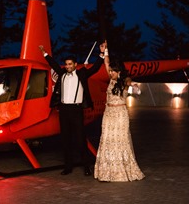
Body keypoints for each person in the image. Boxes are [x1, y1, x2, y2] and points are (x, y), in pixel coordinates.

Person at [39, 43, 106, 176]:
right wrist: (44, 53)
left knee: (80, 139)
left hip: (76, 110)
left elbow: (96, 68)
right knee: (65, 139)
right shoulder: (62, 73)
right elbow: (53, 64)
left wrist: (102, 54)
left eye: (70, 64)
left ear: (75, 64)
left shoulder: (82, 74)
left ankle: (86, 167)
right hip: (64, 110)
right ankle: (68, 167)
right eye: (66, 64)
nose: (68, 66)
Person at [94, 43, 145, 182]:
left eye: (113, 71)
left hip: (120, 115)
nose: (110, 73)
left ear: (119, 72)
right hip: (108, 113)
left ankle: (121, 170)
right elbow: (106, 62)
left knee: (120, 141)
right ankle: (106, 171)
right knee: (107, 139)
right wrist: (105, 50)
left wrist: (133, 87)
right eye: (110, 71)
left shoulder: (124, 81)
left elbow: (133, 86)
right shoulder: (111, 79)